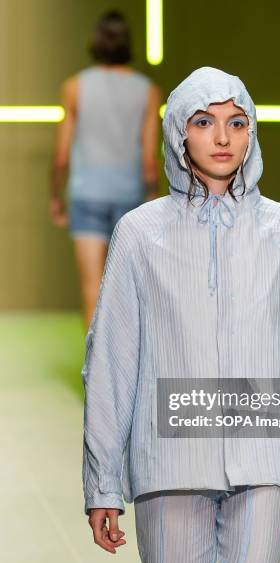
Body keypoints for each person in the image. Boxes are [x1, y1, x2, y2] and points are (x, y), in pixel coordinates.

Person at [82, 66, 280, 563]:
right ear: (178, 131)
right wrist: (102, 482)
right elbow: (111, 362)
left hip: (266, 460)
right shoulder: (140, 233)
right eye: (204, 122)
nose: (223, 138)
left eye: (237, 123)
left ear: (252, 132)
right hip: (169, 463)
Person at [49, 10, 161, 329]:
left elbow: (61, 154)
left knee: (91, 288)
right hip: (130, 198)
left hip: (86, 194)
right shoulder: (148, 91)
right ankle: (125, 373)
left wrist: (55, 196)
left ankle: (96, 374)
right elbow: (149, 157)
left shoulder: (74, 87)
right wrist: (153, 198)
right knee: (128, 290)